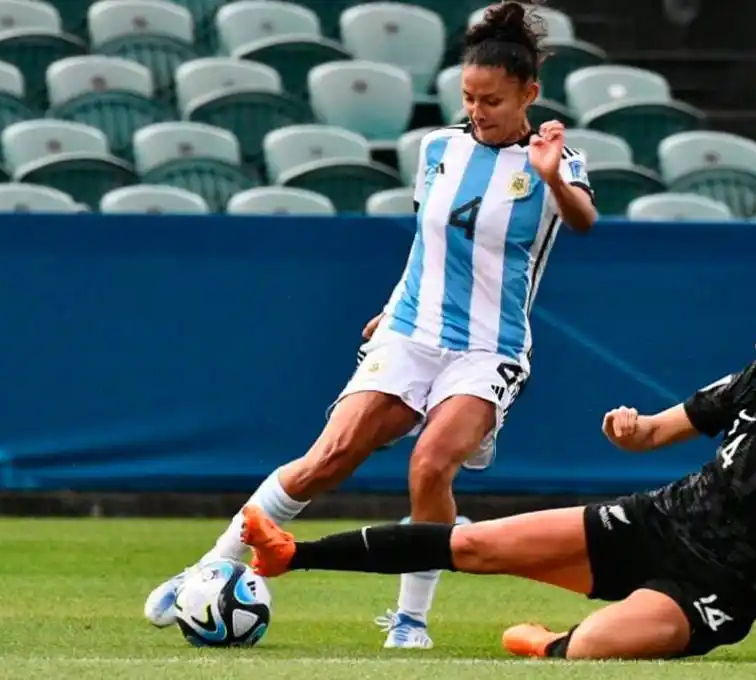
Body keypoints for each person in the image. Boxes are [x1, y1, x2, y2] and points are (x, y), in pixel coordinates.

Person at [143, 0, 597, 651]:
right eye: (469, 96)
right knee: (327, 459)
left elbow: (583, 220)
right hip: (411, 331)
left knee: (429, 466)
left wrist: (553, 177)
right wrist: (393, 304)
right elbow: (429, 244)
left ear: (529, 92)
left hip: (487, 345)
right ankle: (212, 567)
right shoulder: (438, 147)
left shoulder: (556, 160)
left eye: (492, 99)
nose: (478, 109)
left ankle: (410, 620)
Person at [239, 265, 756, 664]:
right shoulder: (752, 382)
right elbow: (655, 433)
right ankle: (293, 555)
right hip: (657, 521)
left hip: (718, 589)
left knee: (594, 646)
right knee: (480, 544)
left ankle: (549, 642)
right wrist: (629, 429)